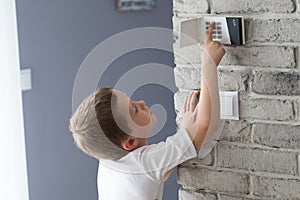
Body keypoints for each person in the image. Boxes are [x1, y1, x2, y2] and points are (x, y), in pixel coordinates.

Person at [69, 22, 225, 200]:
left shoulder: (109, 161)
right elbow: (205, 124)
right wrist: (209, 64)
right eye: (134, 109)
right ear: (129, 141)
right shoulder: (143, 164)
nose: (142, 102)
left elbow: (158, 173)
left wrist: (184, 134)